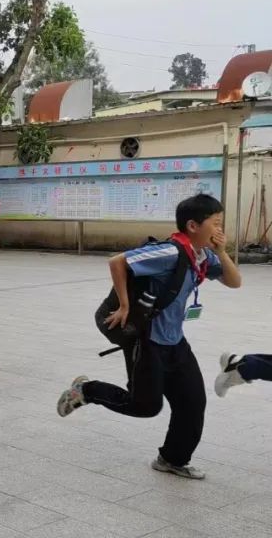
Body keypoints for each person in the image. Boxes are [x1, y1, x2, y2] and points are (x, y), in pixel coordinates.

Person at [56, 193, 242, 480]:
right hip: (148, 341)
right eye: (215, 223)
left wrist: (223, 251)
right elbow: (118, 262)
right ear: (193, 226)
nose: (220, 229)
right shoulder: (169, 252)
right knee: (145, 406)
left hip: (176, 342)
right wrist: (125, 305)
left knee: (192, 402)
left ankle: (171, 459)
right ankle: (86, 390)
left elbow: (234, 282)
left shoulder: (203, 256)